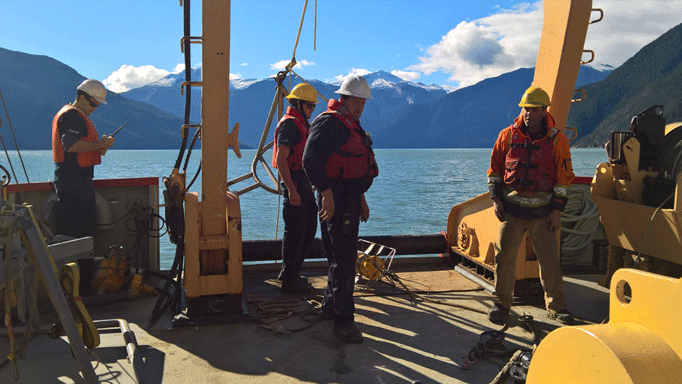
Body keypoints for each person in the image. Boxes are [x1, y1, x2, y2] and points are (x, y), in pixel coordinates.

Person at [486, 86, 575, 326]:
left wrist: (557, 210)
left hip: (543, 215)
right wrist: (496, 199)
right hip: (512, 213)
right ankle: (501, 304)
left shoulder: (558, 141)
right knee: (504, 258)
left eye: (534, 110)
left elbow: (564, 178)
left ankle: (556, 307)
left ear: (545, 111)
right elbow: (495, 170)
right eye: (526, 109)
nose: (528, 114)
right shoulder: (507, 136)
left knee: (550, 262)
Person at [302, 75, 378, 343]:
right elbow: (310, 159)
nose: (359, 107)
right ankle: (344, 322)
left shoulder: (349, 125)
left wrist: (361, 199)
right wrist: (326, 194)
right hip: (337, 200)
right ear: (344, 99)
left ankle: (330, 307)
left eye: (363, 102)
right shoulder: (330, 123)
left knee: (339, 257)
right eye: (356, 101)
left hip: (348, 198)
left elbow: (353, 170)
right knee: (345, 262)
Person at [52, 79, 115, 238]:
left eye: (97, 106)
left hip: (76, 180)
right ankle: (78, 262)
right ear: (81, 98)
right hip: (73, 182)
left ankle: (78, 261)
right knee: (77, 231)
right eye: (93, 104)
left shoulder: (75, 116)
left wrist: (101, 146)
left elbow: (84, 149)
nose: (95, 109)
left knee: (80, 229)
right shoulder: (72, 117)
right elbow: (71, 145)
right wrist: (100, 143)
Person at [272, 83, 319, 294]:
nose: (311, 111)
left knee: (308, 230)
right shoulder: (290, 125)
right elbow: (282, 159)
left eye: (313, 107)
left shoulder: (301, 124)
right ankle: (290, 279)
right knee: (295, 233)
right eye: (309, 106)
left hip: (304, 183)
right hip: (296, 183)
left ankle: (291, 272)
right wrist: (291, 189)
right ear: (298, 104)